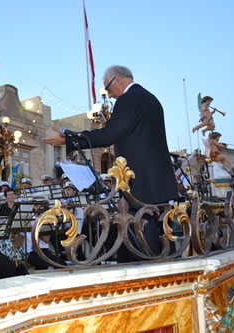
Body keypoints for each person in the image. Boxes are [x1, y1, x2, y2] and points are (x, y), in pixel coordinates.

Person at [43, 65, 178, 262]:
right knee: (163, 241)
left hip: (141, 184)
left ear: (118, 80)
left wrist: (68, 139)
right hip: (158, 183)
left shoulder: (129, 99)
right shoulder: (151, 98)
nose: (108, 94)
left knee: (145, 247)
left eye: (107, 88)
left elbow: (109, 134)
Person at [25, 194, 66, 269]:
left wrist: (36, 228)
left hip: (43, 250)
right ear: (33, 206)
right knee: (41, 263)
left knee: (61, 263)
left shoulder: (47, 219)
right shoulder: (26, 218)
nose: (39, 207)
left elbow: (46, 240)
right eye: (36, 205)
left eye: (42, 205)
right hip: (30, 252)